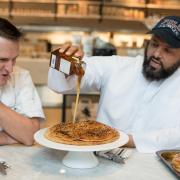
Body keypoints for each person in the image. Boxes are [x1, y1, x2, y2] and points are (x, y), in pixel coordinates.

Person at [48, 16, 180, 153]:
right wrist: (65, 63)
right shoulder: (118, 66)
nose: (157, 54)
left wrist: (127, 140)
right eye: (154, 44)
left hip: (154, 167)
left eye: (168, 50)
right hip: (102, 159)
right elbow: (79, 75)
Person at [0, 18, 44, 146]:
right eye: (2, 59)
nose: (10, 69)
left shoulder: (21, 76)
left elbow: (30, 135)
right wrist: (10, 136)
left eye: (14, 59)